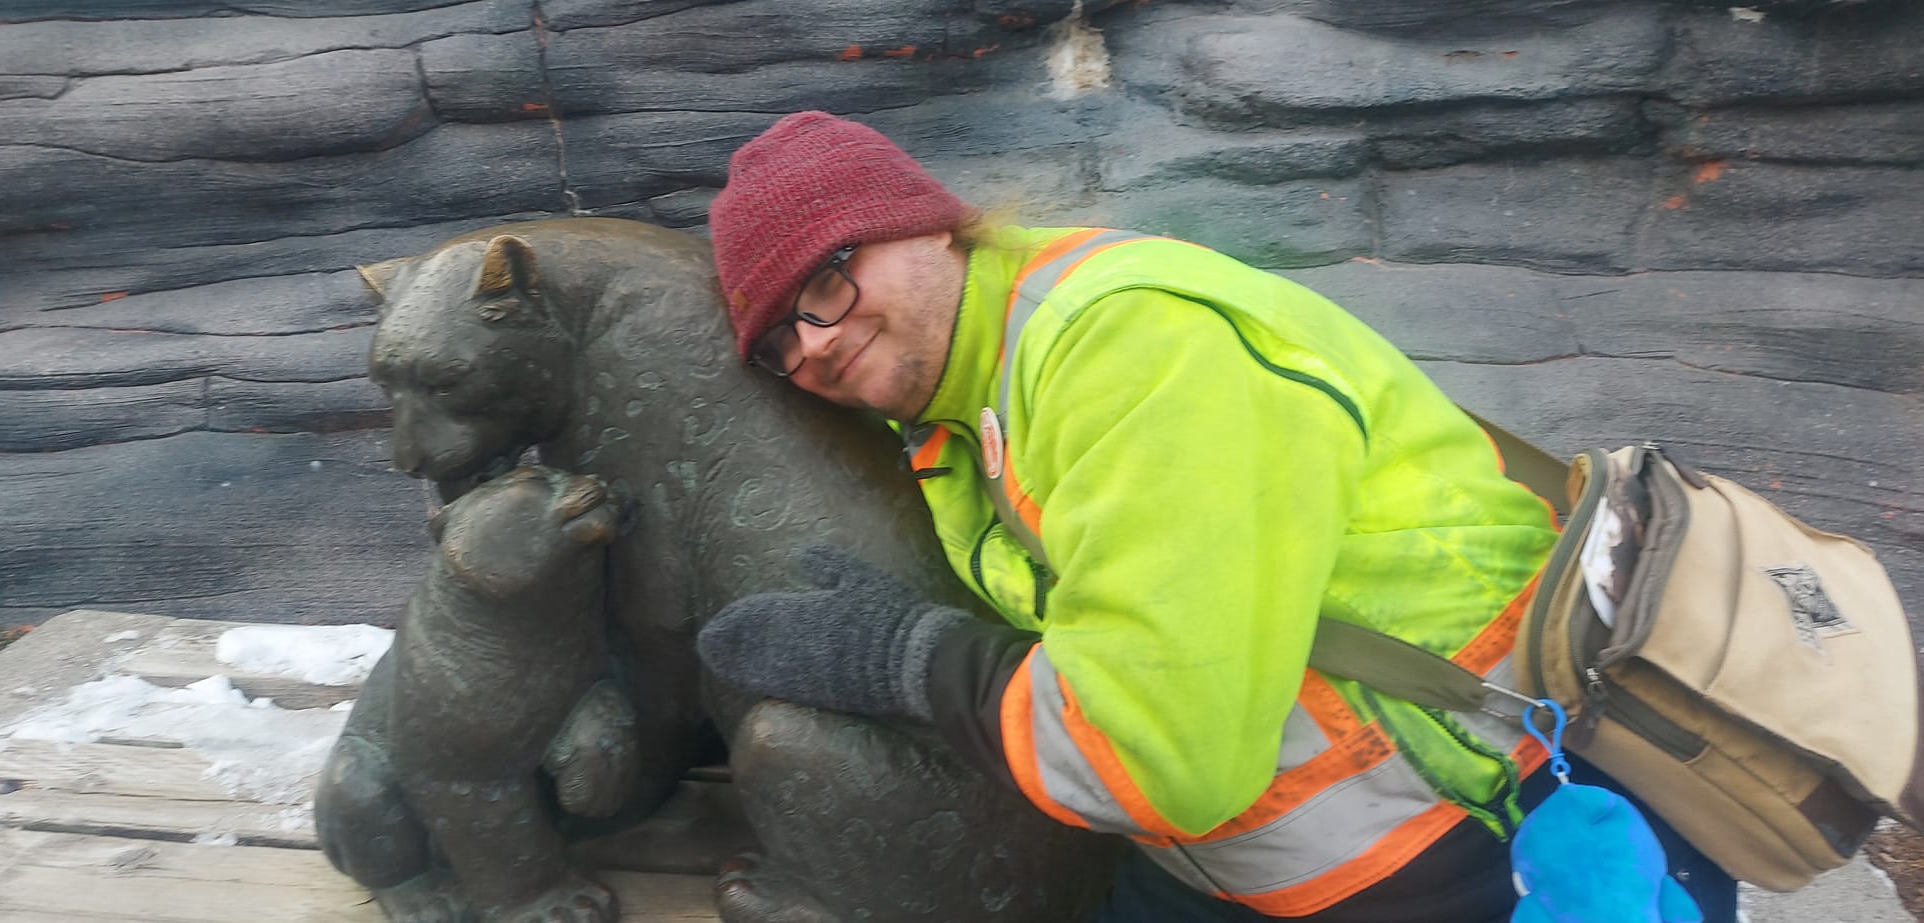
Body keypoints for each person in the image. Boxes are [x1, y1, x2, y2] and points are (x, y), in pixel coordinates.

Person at [695, 111, 1736, 922]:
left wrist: (907, 659)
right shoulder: (957, 418)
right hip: (1251, 860)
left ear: (920, 220)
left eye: (826, 281)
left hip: (1468, 837)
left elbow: (1155, 757)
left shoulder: (1123, 347)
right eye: (777, 340)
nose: (814, 346)